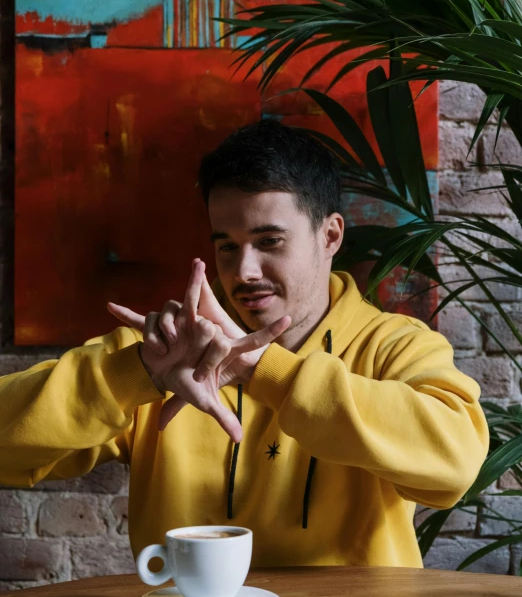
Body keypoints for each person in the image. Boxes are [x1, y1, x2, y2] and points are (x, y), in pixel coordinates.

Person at [0, 120, 488, 568]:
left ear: (330, 235)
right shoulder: (165, 353)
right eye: (227, 245)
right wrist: (135, 375)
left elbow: (458, 464)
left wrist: (268, 371)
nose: (244, 270)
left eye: (269, 241)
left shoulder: (393, 345)